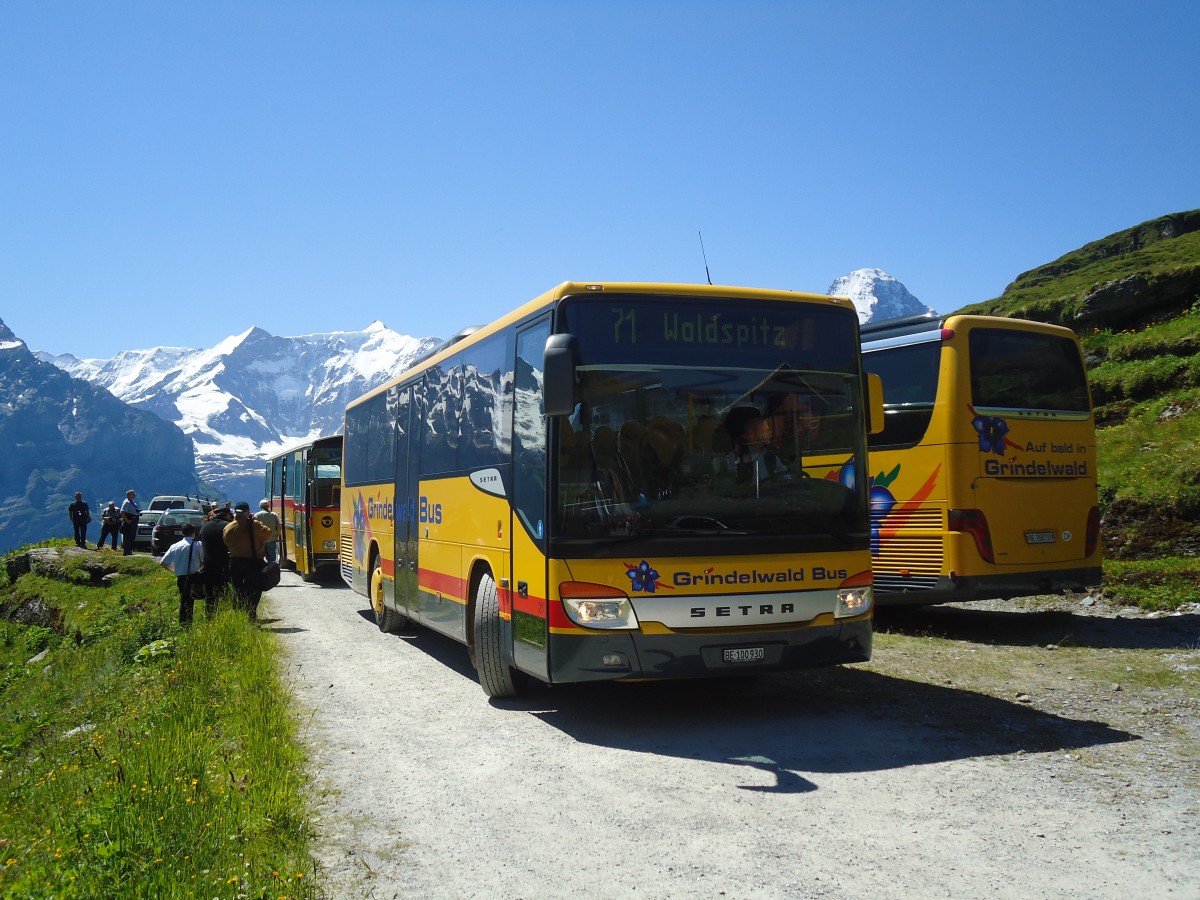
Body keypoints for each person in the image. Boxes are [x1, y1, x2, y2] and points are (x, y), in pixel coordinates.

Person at [223, 501, 273, 622]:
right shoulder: (254, 525)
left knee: (238, 589)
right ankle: (251, 613)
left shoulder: (228, 527)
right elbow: (269, 534)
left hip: (235, 562)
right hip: (253, 562)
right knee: (255, 588)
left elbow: (226, 542)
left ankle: (238, 614)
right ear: (248, 512)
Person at [159, 523, 204, 625]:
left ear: (182, 533)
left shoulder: (175, 546)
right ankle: (188, 621)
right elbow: (204, 560)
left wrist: (174, 570)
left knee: (184, 599)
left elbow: (163, 562)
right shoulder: (198, 545)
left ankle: (184, 622)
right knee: (193, 599)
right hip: (194, 576)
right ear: (194, 532)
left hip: (181, 577)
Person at [198, 506, 234, 617]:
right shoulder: (227, 526)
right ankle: (226, 615)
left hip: (208, 564)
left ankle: (209, 616)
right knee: (225, 591)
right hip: (224, 564)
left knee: (210, 594)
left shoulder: (204, 527)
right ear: (226, 515)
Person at [255, 499, 281, 564]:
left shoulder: (256, 515)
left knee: (260, 556)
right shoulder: (274, 515)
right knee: (272, 557)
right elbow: (279, 526)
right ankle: (271, 570)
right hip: (271, 538)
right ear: (268, 506)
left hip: (260, 540)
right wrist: (276, 535)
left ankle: (262, 570)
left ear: (260, 506)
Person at [119, 490, 142, 555]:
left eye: (134, 494)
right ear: (129, 495)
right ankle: (126, 551)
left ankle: (129, 550)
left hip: (134, 521)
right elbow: (122, 512)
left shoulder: (132, 502)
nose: (134, 496)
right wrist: (127, 520)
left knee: (132, 536)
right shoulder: (127, 502)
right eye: (133, 494)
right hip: (129, 522)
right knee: (128, 536)